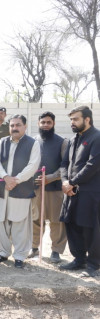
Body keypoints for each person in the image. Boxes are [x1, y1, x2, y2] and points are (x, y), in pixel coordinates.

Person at [0, 114, 40, 268]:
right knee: (1, 221)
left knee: (20, 223)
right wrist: (6, 177)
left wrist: (15, 180)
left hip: (21, 189)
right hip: (3, 188)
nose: (14, 128)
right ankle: (2, 253)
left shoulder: (33, 143)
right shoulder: (3, 142)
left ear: (25, 127)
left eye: (18, 125)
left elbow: (33, 166)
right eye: (12, 125)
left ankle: (19, 256)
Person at [59, 106, 100, 278]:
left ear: (87, 119)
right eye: (71, 120)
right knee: (71, 224)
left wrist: (72, 182)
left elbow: (92, 165)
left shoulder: (97, 138)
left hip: (90, 193)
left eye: (75, 119)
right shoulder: (72, 139)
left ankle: (93, 264)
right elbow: (63, 164)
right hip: (71, 192)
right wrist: (64, 182)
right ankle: (79, 259)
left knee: (90, 227)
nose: (72, 123)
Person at [28, 112, 68, 263]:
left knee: (56, 221)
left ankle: (56, 251)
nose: (45, 125)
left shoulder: (63, 142)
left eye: (48, 122)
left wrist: (50, 178)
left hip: (55, 189)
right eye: (43, 122)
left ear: (53, 124)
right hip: (36, 188)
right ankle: (34, 248)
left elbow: (65, 166)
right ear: (38, 123)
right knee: (36, 219)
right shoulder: (33, 141)